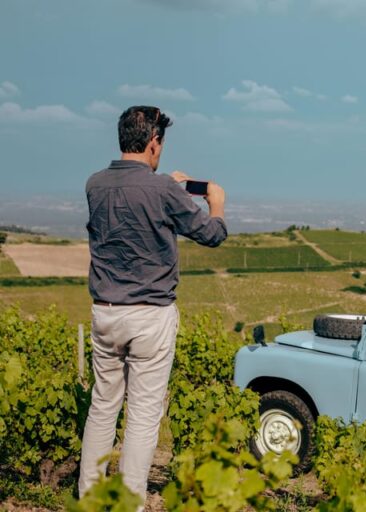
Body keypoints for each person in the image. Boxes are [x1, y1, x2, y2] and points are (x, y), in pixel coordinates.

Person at [79, 106, 228, 502]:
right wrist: (216, 203)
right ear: (152, 142)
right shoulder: (162, 190)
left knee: (102, 407)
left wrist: (165, 187)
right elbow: (211, 235)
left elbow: (134, 205)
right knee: (143, 417)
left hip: (105, 313)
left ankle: (90, 499)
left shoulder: (95, 184)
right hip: (150, 317)